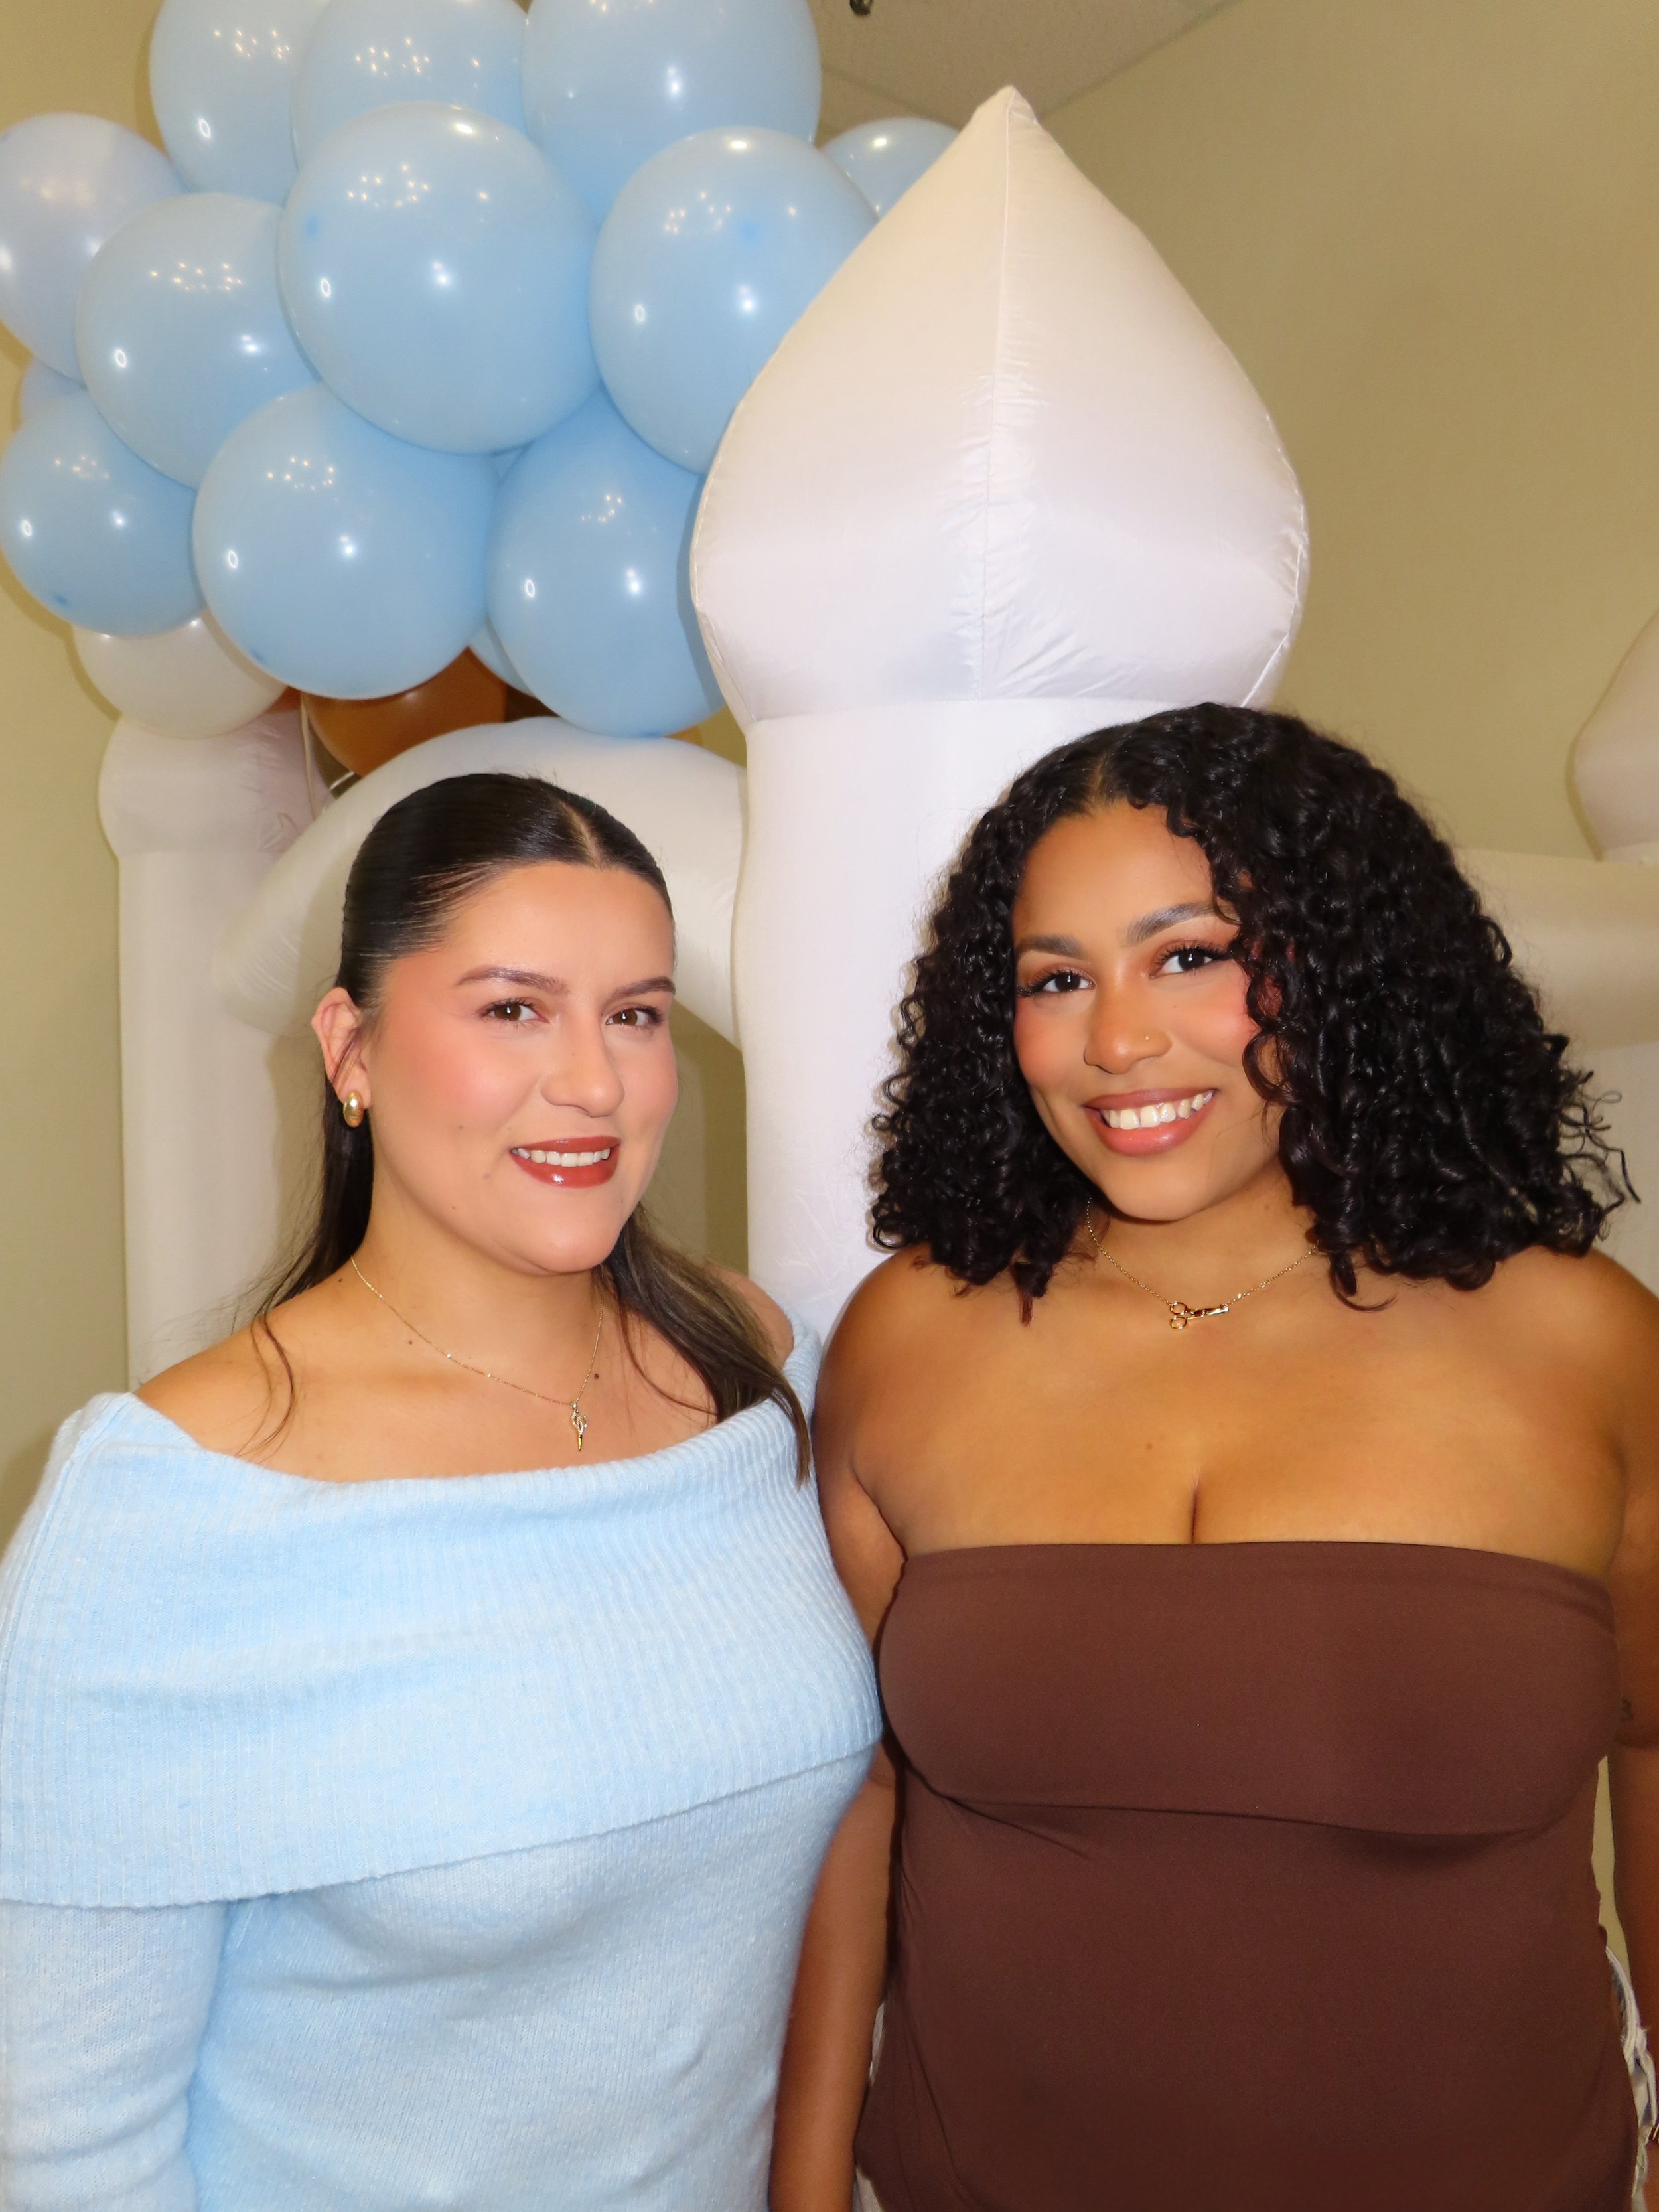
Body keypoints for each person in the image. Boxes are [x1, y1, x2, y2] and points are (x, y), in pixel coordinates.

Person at [769, 707, 1659, 2212]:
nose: (1117, 1041)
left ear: (1342, 963)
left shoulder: (1582, 1343)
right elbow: (848, 1800)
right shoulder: (908, 1336)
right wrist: (796, 2189)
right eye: (1057, 978)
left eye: (1188, 954)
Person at [0, 773, 878, 2211]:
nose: (592, 1080)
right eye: (511, 1007)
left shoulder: (761, 1369)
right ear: (350, 1046)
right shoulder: (166, 1508)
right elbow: (78, 2154)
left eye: (636, 1013)